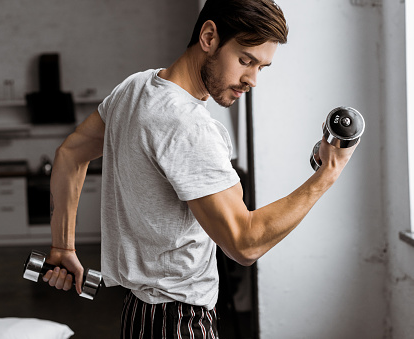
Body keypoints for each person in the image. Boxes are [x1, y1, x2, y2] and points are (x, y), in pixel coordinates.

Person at [43, 0, 358, 338]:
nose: (252, 79)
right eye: (245, 60)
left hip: (137, 313)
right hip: (177, 321)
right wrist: (327, 174)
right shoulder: (188, 127)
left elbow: (70, 154)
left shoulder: (135, 87)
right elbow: (244, 243)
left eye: (261, 67)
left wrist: (63, 247)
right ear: (209, 37)